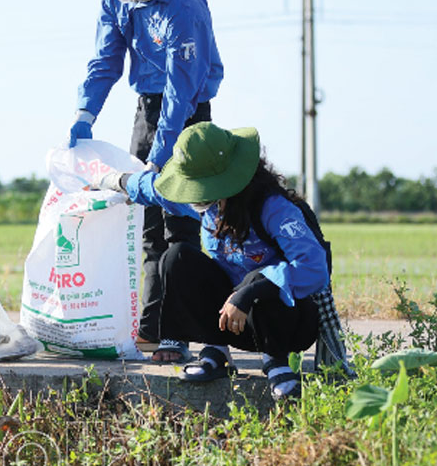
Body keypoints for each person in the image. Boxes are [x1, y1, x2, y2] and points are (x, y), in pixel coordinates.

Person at [94, 122, 351, 400]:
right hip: (231, 321)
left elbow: (314, 269)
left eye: (201, 193)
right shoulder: (208, 203)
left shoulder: (275, 209)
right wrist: (106, 180)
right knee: (177, 257)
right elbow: (149, 188)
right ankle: (215, 352)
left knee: (259, 276)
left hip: (284, 321)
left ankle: (276, 362)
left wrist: (249, 292)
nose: (195, 202)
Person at [69, 0, 224, 358]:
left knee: (182, 225)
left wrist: (159, 157)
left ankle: (180, 330)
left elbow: (182, 88)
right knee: (149, 225)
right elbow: (105, 60)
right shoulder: (116, 0)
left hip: (189, 116)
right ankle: (153, 328)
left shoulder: (184, 7)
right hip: (147, 110)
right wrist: (85, 114)